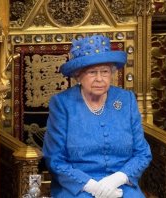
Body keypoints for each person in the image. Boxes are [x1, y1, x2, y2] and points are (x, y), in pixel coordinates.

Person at [42, 35, 152, 198]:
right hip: (77, 189)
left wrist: (118, 178)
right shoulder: (62, 104)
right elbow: (55, 159)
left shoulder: (126, 100)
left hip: (122, 187)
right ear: (78, 75)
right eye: (92, 72)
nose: (100, 79)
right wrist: (92, 187)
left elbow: (142, 153)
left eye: (105, 72)